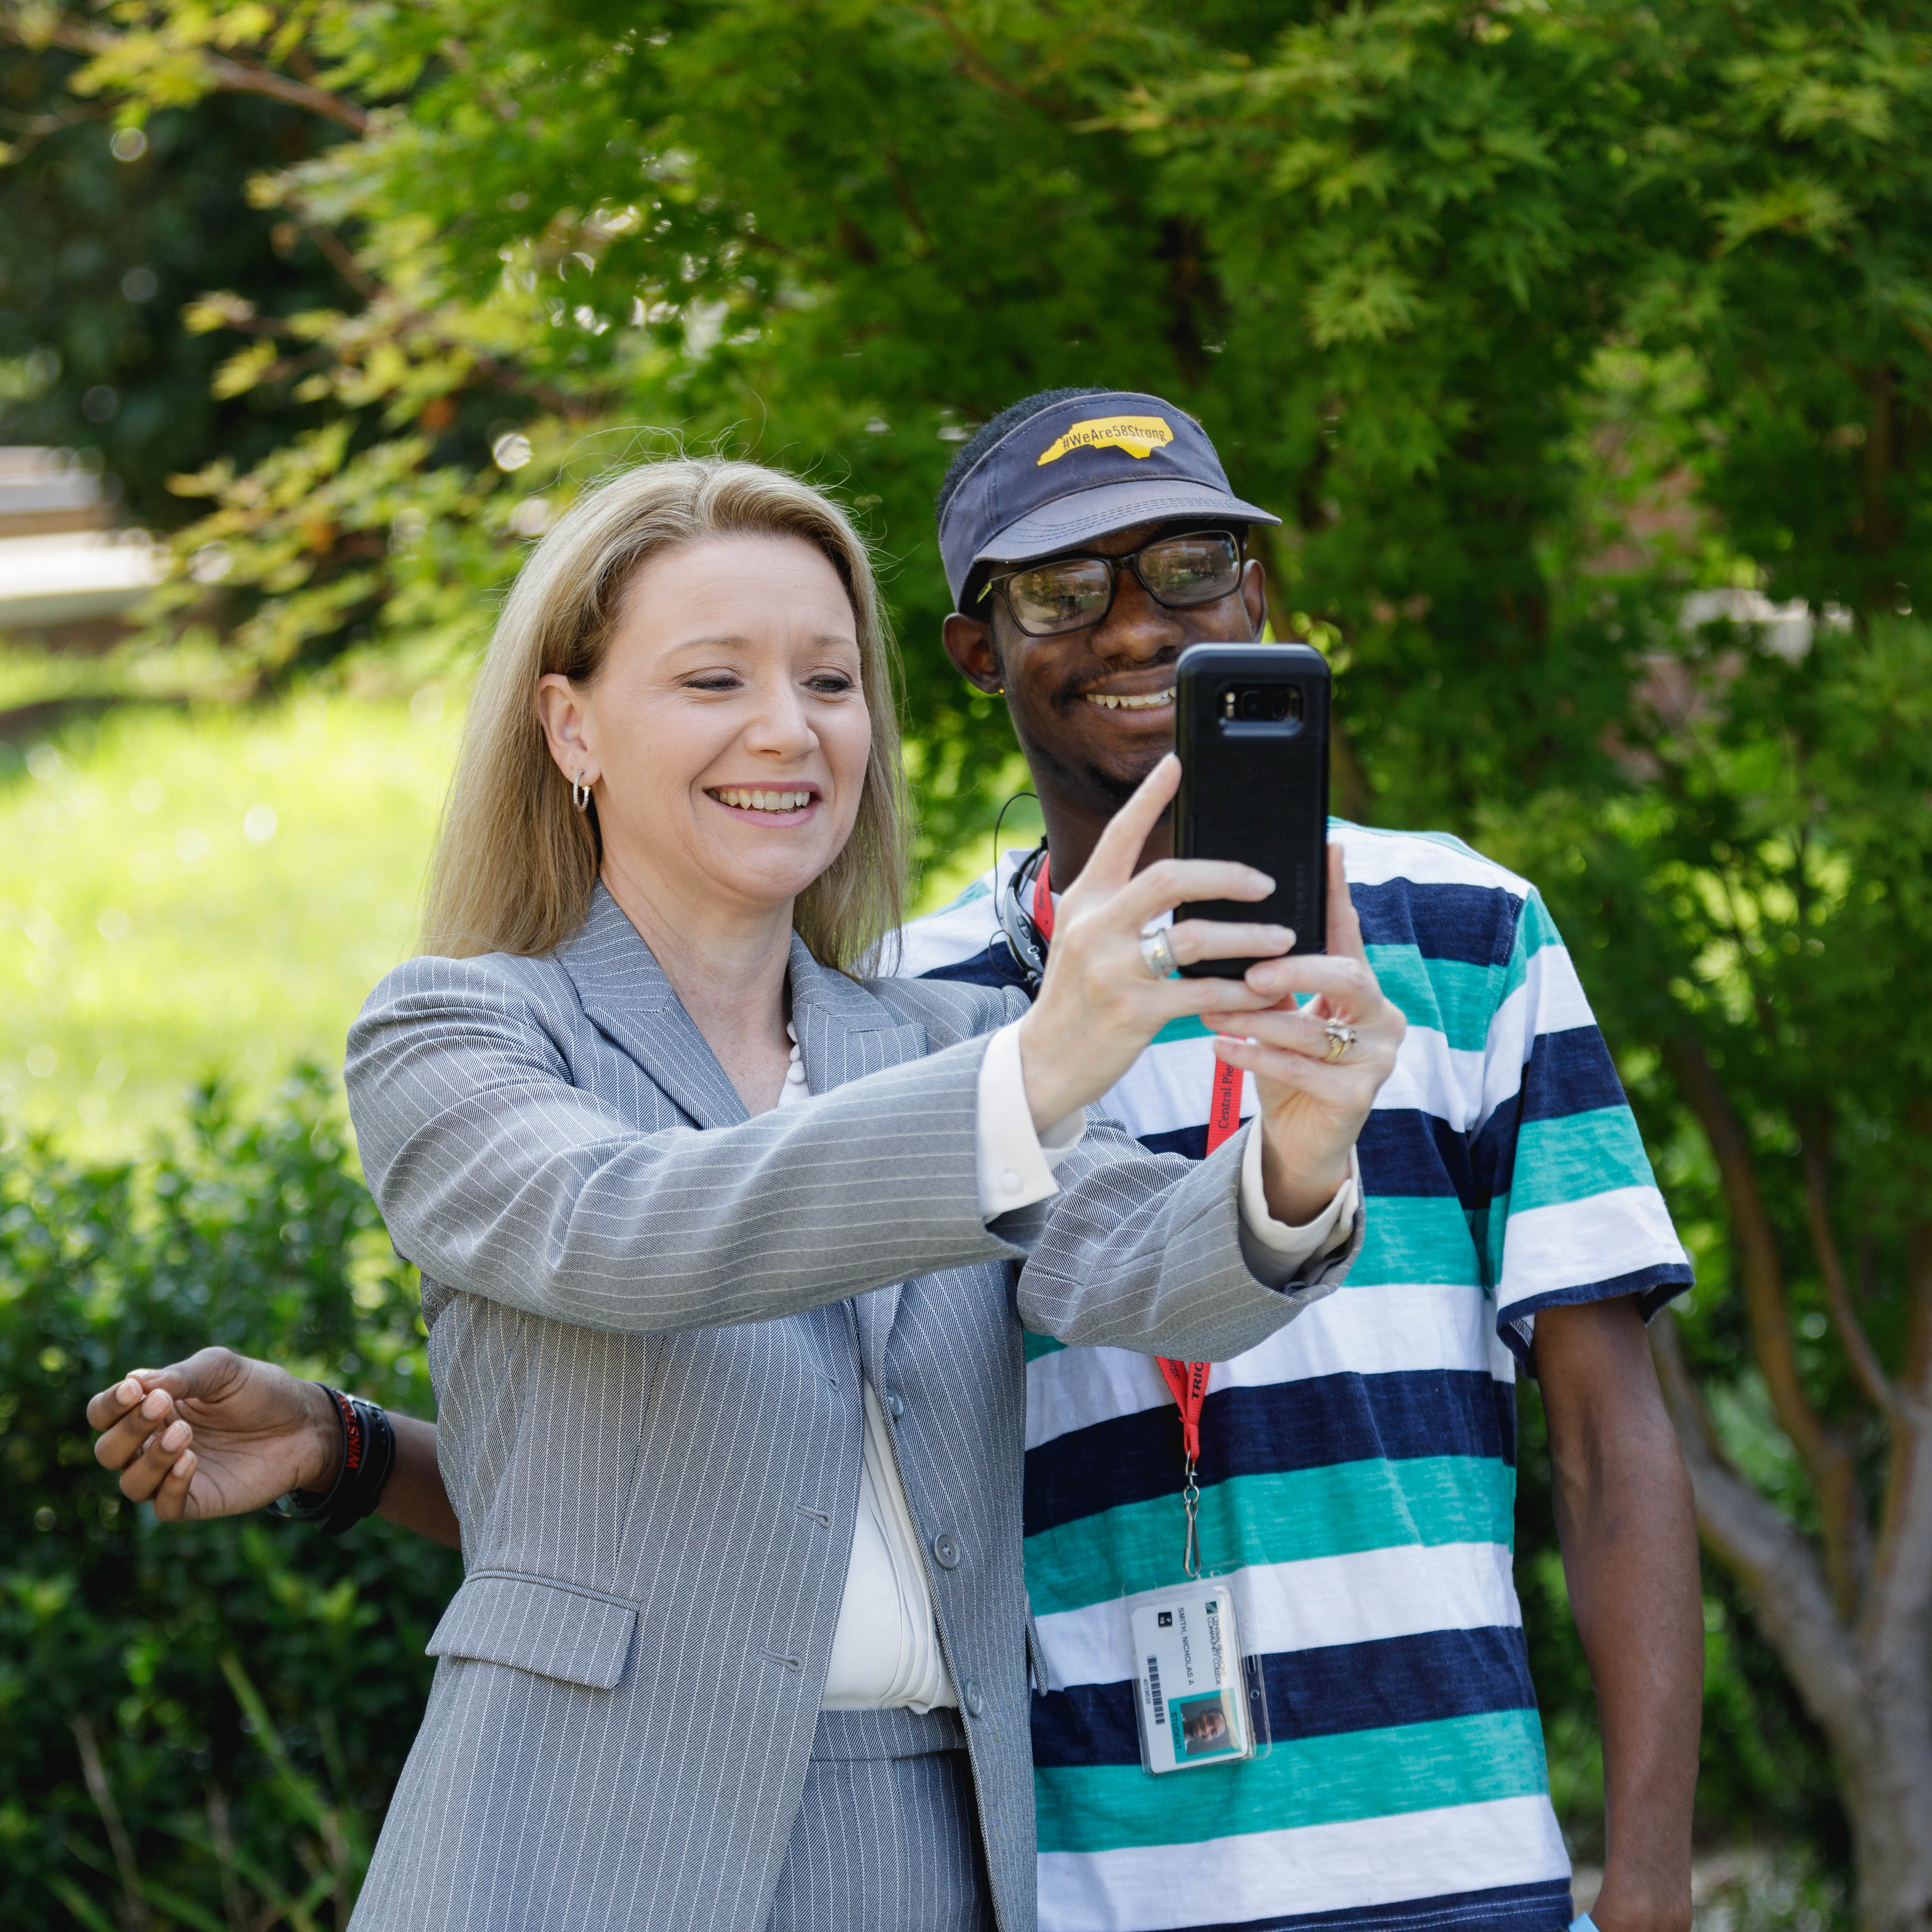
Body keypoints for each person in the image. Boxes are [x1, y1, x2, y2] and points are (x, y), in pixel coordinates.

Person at [94, 392, 1701, 1932]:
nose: (786, 731)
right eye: (714, 681)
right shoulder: (457, 1032)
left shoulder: (929, 1035)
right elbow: (631, 1231)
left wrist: (1300, 1148)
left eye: (828, 681)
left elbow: (1146, 1267)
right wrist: (1046, 1060)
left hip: (939, 1842)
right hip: (588, 1840)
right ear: (569, 722)